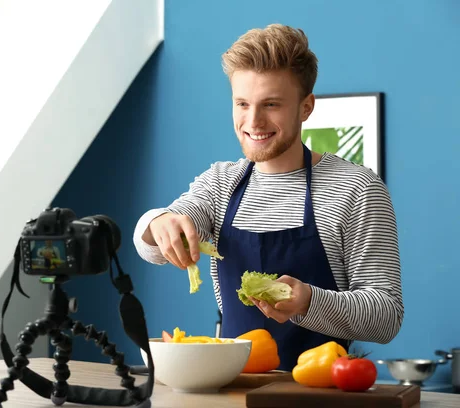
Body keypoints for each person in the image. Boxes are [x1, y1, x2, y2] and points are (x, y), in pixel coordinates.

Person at [132, 24, 403, 371]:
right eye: (242, 103)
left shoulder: (356, 189)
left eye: (271, 104)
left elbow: (386, 315)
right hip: (231, 389)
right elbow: (151, 247)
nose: (253, 121)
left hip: (321, 391)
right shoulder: (221, 183)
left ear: (306, 107)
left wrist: (308, 301)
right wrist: (159, 221)